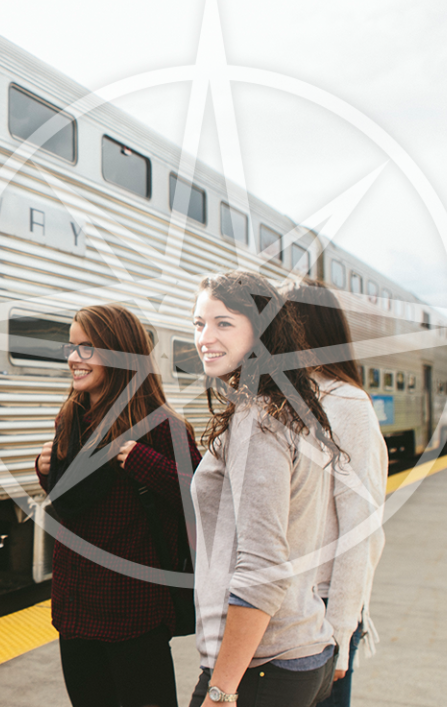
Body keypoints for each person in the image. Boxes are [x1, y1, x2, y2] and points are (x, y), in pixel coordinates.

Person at [33, 304, 201, 707]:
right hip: (75, 612)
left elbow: (204, 500)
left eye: (87, 347)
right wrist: (47, 471)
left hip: (134, 615)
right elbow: (74, 505)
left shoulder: (162, 426)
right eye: (73, 347)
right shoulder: (71, 418)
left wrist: (149, 465)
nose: (73, 358)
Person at [188, 271, 339, 707]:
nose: (205, 338)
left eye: (224, 323)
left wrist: (221, 690)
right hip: (299, 647)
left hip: (261, 664)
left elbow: (263, 567)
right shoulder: (293, 409)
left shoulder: (258, 418)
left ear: (262, 329)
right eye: (199, 323)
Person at [280, 278, 387, 707]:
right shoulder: (282, 396)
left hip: (323, 604)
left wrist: (341, 629)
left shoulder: (347, 404)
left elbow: (361, 527)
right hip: (281, 601)